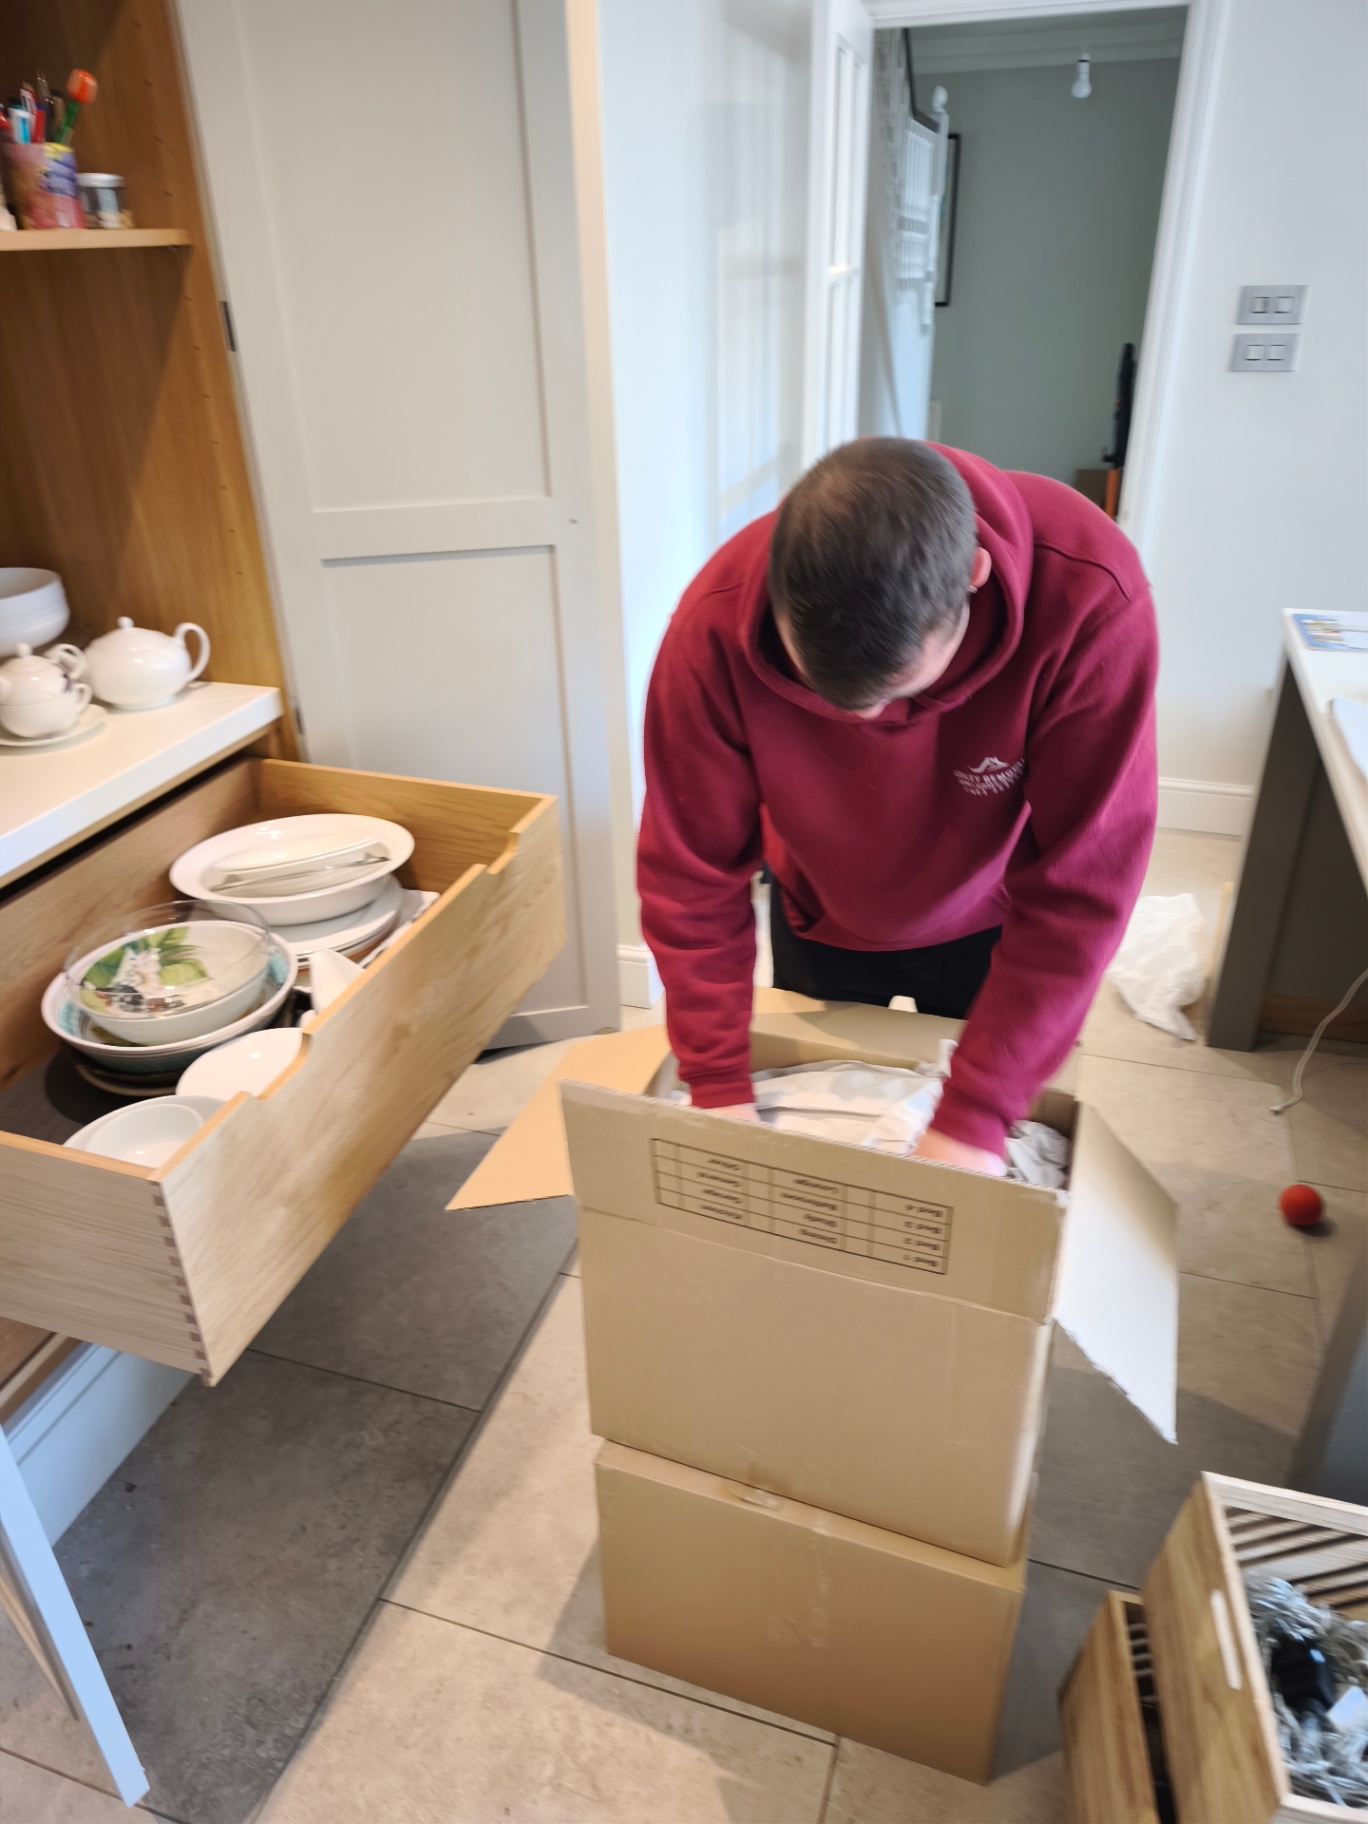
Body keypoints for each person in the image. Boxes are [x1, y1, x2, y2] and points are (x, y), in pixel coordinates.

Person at [637, 438, 1158, 1177]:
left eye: (899, 692)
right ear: (779, 591)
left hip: (996, 920)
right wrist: (716, 1081)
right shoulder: (712, 627)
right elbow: (689, 873)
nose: (869, 729)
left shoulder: (1089, 592)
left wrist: (975, 1116)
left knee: (981, 1156)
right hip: (818, 910)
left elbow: (1087, 880)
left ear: (974, 578)